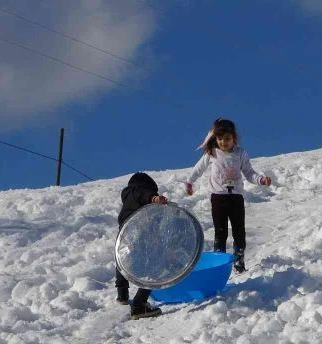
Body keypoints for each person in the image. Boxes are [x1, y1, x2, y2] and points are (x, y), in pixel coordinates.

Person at [184, 118, 272, 273]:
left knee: (239, 230)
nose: (223, 142)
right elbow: (198, 169)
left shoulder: (240, 153)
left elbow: (249, 172)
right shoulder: (211, 153)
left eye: (227, 139)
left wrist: (261, 180)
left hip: (236, 197)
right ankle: (220, 264)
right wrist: (189, 182)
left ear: (234, 138)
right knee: (220, 231)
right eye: (220, 139)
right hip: (218, 198)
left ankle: (239, 261)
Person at [115, 172, 167, 319]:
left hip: (124, 235)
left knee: (122, 262)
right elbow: (145, 195)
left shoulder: (127, 197)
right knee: (155, 265)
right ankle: (139, 305)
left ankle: (122, 294)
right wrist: (155, 198)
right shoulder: (139, 191)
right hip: (140, 233)